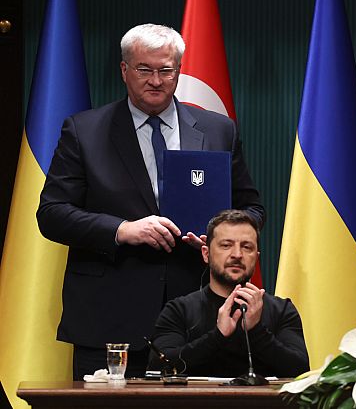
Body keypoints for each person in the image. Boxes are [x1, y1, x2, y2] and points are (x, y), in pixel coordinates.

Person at [37, 23, 265, 379]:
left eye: (166, 70)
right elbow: (51, 214)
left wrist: (218, 240)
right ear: (125, 69)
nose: (156, 81)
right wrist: (121, 230)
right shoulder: (84, 131)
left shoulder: (218, 129)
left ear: (178, 71)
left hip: (198, 317)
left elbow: (252, 210)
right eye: (145, 69)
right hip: (109, 316)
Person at [150, 210, 308, 378]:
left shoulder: (282, 310)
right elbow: (158, 367)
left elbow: (300, 371)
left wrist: (256, 331)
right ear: (206, 254)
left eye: (247, 247)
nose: (237, 255)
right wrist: (217, 336)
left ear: (256, 257)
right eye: (226, 245)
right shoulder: (178, 310)